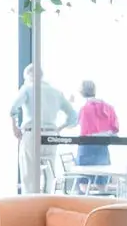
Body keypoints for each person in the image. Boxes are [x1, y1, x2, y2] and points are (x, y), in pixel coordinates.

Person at [9, 64, 78, 193]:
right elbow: (73, 116)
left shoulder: (27, 88)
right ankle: (46, 202)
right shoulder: (56, 92)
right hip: (51, 136)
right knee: (49, 174)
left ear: (28, 76)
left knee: (29, 175)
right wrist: (59, 128)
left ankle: (30, 206)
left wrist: (15, 127)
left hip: (32, 134)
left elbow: (13, 108)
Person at [74, 79, 119, 187]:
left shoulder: (83, 108)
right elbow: (115, 129)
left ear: (81, 91)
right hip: (102, 146)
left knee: (84, 180)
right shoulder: (109, 107)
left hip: (87, 146)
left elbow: (77, 124)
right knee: (102, 180)